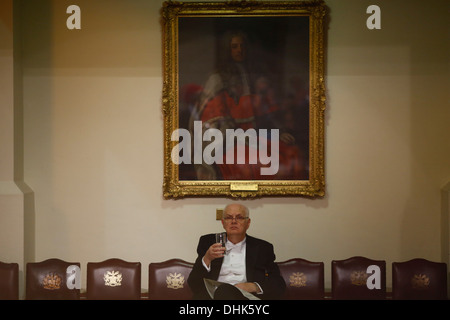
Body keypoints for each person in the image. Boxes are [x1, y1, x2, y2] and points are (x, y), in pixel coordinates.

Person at [189, 30, 306, 180]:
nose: (239, 50)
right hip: (228, 141)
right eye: (235, 46)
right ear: (228, 50)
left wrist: (279, 132)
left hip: (256, 136)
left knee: (292, 152)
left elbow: (264, 113)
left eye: (242, 46)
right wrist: (238, 137)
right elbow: (213, 118)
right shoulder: (218, 79)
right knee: (259, 162)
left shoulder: (254, 76)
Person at [187, 203, 286, 300]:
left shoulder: (262, 248)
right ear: (223, 222)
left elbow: (278, 284)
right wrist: (207, 258)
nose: (234, 221)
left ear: (248, 223)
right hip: (213, 296)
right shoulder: (208, 242)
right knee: (223, 291)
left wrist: (253, 286)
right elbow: (193, 283)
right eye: (229, 218)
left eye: (239, 217)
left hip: (246, 298)